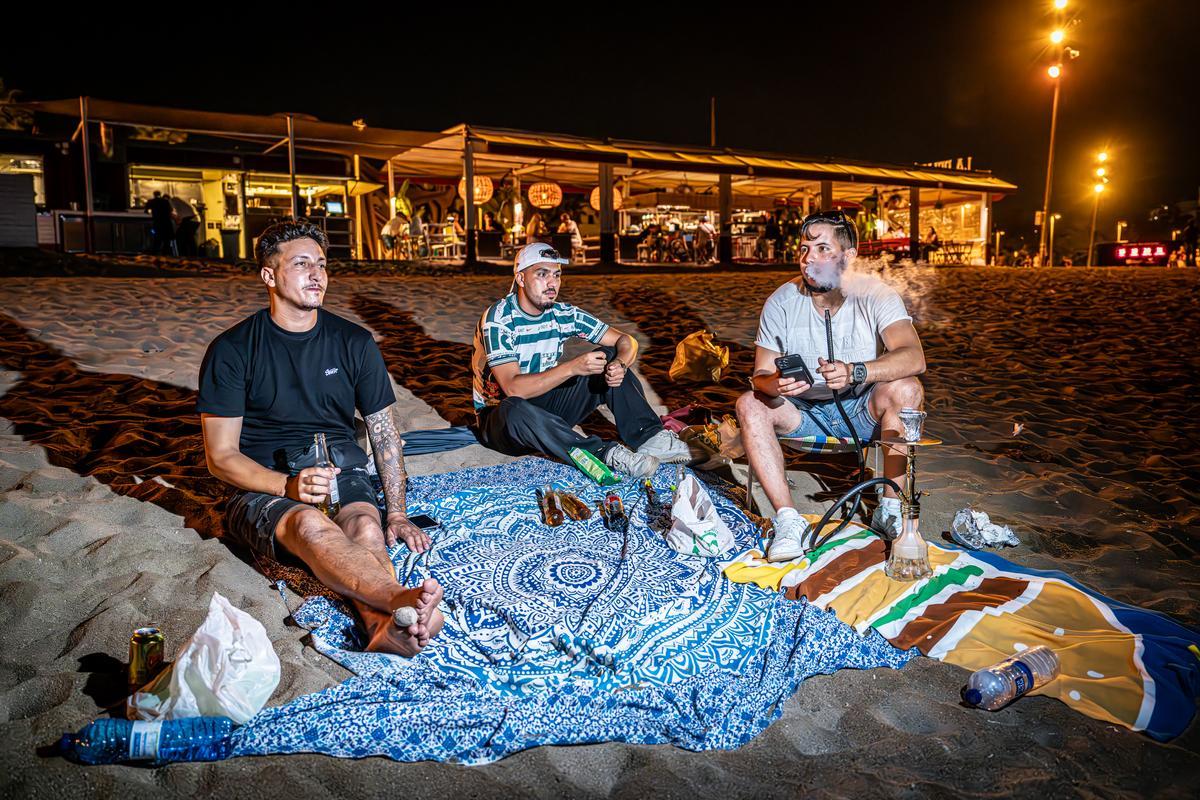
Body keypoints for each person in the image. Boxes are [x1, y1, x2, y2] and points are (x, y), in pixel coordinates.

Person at [197, 219, 443, 656]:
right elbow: (219, 457)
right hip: (263, 482)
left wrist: (398, 515)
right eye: (302, 263)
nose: (317, 274)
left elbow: (385, 436)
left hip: (341, 468)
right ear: (269, 276)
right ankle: (399, 599)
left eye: (323, 264)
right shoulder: (233, 350)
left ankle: (383, 626)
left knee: (366, 525)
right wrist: (285, 486)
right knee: (310, 523)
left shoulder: (354, 342)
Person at [736, 209, 927, 561]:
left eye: (823, 248)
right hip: (803, 412)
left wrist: (858, 371)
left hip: (861, 408)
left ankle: (889, 506)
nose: (809, 258)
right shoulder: (781, 301)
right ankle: (788, 520)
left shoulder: (875, 294)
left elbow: (914, 357)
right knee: (748, 403)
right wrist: (776, 384)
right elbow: (759, 375)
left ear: (848, 257)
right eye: (804, 248)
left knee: (907, 387)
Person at [472, 243, 691, 479]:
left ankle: (650, 437)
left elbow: (626, 341)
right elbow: (513, 388)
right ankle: (602, 454)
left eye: (556, 275)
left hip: (546, 407)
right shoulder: (498, 319)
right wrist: (572, 367)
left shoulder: (563, 314)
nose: (551, 283)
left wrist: (621, 364)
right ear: (521, 279)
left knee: (607, 357)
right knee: (514, 407)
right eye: (542, 274)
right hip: (501, 422)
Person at [144, 190, 175, 255]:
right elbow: (171, 210)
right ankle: (166, 255)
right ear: (160, 194)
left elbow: (146, 211)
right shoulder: (166, 201)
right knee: (167, 240)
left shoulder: (151, 201)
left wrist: (152, 212)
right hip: (167, 223)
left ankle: (155, 255)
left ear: (154, 195)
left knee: (157, 239)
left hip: (157, 223)